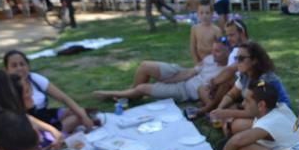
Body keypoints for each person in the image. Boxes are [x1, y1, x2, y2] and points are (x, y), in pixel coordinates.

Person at [94, 37, 230, 103]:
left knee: (142, 88)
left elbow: (211, 95)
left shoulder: (226, 72)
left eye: (217, 51)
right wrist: (168, 79)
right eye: (213, 50)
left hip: (183, 91)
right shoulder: (210, 59)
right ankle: (128, 95)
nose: (213, 54)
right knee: (144, 66)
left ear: (228, 53)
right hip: (182, 74)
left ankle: (116, 94)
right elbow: (190, 72)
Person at [3, 50, 97, 134]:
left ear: (28, 65)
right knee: (76, 118)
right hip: (33, 127)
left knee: (78, 111)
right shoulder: (7, 90)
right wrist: (52, 130)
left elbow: (63, 97)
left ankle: (77, 123)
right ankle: (57, 135)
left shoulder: (34, 78)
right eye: (14, 65)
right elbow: (26, 120)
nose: (19, 68)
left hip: (46, 116)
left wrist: (83, 116)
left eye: (22, 64)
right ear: (6, 69)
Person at [209, 40, 290, 135]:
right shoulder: (245, 74)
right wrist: (220, 108)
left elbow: (254, 112)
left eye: (241, 58)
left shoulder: (264, 80)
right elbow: (232, 94)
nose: (237, 62)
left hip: (276, 115)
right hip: (258, 112)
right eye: (236, 58)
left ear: (254, 60)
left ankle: (231, 129)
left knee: (236, 124)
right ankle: (229, 127)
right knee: (231, 108)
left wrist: (225, 113)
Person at [0, 70, 62, 150]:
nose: (31, 94)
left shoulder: (14, 117)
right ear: (16, 98)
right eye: (27, 91)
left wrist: (54, 133)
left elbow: (52, 130)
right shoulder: (11, 129)